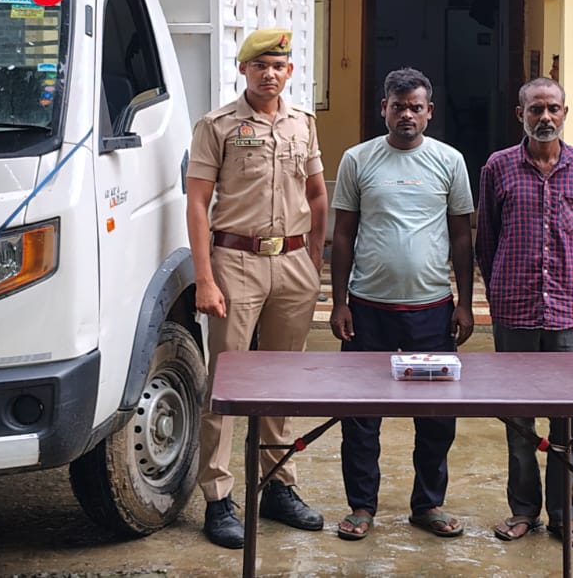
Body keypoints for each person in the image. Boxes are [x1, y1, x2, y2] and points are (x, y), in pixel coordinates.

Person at [185, 27, 329, 549]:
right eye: (260, 65)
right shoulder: (217, 125)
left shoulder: (303, 124)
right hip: (236, 262)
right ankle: (218, 496)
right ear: (243, 69)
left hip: (292, 263)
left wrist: (313, 260)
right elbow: (197, 202)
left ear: (289, 71)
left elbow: (317, 195)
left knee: (283, 381)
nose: (270, 74)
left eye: (278, 65)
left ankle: (277, 486)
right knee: (227, 383)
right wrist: (205, 277)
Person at [329, 68, 475, 543]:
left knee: (436, 417)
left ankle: (427, 504)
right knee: (360, 415)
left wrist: (465, 303)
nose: (406, 115)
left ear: (429, 111)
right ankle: (361, 506)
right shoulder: (357, 159)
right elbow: (344, 234)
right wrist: (339, 303)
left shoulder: (449, 161)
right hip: (367, 310)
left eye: (415, 107)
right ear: (384, 109)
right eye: (398, 107)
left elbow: (461, 236)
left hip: (431, 310)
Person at [476, 77, 573, 550]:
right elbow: (486, 238)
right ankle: (523, 510)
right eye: (536, 109)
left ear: (565, 113)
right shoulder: (498, 167)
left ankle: (562, 514)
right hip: (514, 307)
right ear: (521, 115)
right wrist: (499, 289)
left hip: (569, 309)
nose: (545, 117)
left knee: (566, 418)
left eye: (553, 108)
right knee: (518, 417)